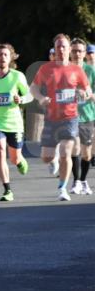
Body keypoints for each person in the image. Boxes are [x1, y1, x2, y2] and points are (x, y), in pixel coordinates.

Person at [30, 34, 92, 201]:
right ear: (55, 49)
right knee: (46, 157)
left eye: (64, 46)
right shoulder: (45, 69)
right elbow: (33, 89)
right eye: (58, 47)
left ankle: (62, 188)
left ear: (69, 49)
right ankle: (53, 160)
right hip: (51, 118)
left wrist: (82, 93)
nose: (61, 49)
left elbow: (86, 92)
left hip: (70, 118)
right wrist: (41, 98)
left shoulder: (77, 70)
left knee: (66, 152)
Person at [0, 44, 32, 201]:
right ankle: (7, 190)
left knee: (14, 157)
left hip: (14, 123)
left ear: (10, 58)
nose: (2, 57)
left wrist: (21, 99)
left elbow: (29, 96)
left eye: (5, 55)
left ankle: (19, 160)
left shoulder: (17, 76)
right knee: (0, 150)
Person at [69, 38, 95, 194]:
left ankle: (83, 180)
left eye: (80, 51)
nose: (77, 54)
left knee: (86, 153)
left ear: (85, 53)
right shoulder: (65, 70)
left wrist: (88, 94)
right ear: (70, 52)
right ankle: (76, 181)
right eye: (74, 51)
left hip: (88, 116)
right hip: (70, 116)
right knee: (75, 148)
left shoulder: (91, 71)